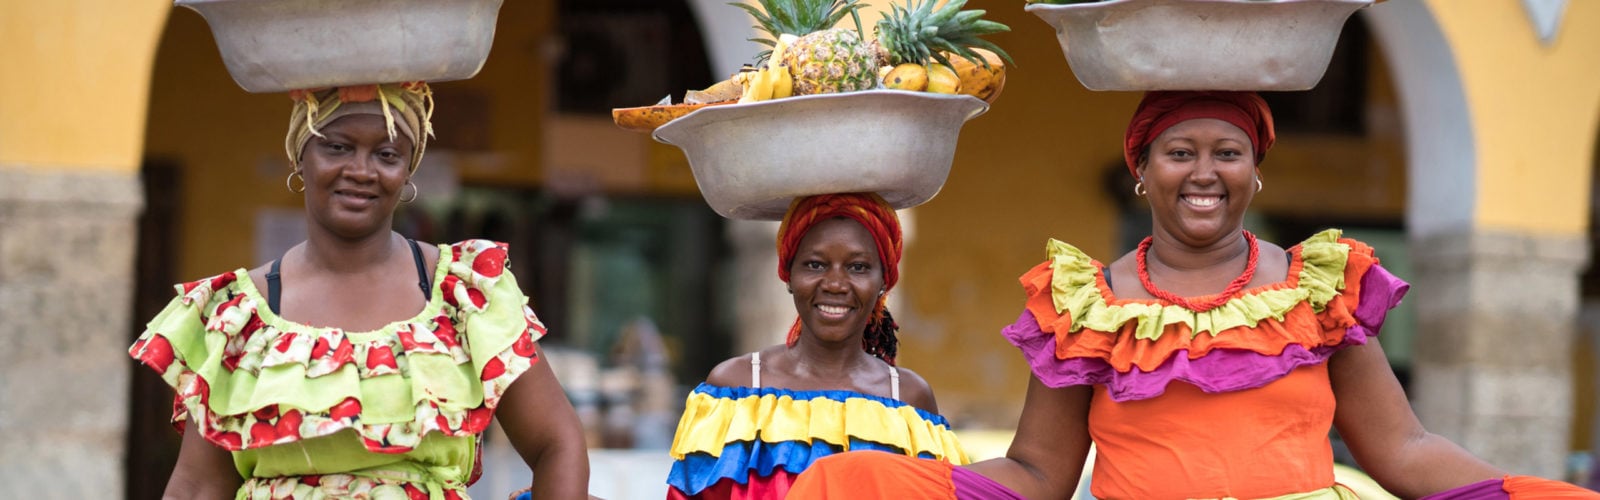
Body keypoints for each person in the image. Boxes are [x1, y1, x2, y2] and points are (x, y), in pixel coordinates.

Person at [787, 91, 1598, 499]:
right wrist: (876, 481)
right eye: (1179, 151)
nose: (1204, 172)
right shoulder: (1088, 307)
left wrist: (1524, 494)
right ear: (1141, 171)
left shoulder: (1317, 288)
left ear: (1256, 171)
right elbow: (1040, 472)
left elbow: (1403, 450)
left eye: (1229, 151)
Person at [127, 83, 591, 499]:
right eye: (338, 147)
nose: (362, 170)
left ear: (408, 170)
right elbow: (199, 483)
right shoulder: (240, 317)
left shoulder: (461, 294)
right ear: (300, 157)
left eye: (387, 154)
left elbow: (557, 443)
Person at [665, 193, 968, 498]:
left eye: (858, 267)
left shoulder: (908, 398)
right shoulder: (735, 390)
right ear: (788, 275)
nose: (835, 284)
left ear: (883, 282)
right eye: (815, 264)